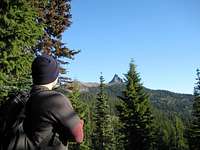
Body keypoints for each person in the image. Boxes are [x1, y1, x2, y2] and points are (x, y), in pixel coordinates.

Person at [23, 54, 84, 149]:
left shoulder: (24, 98)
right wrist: (80, 122)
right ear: (54, 77)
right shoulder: (55, 99)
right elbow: (78, 137)